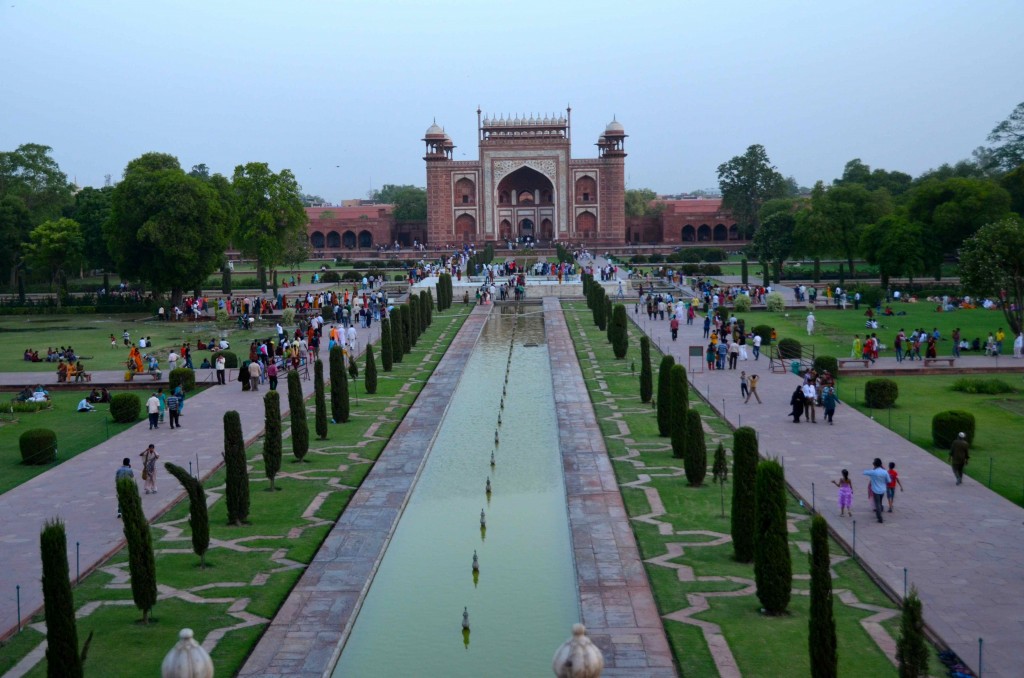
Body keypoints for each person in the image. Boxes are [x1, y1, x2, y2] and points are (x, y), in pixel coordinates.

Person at [863, 458, 889, 523]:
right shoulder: (885, 472)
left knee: (877, 503)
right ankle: (880, 510)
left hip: (876, 490)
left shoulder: (873, 472)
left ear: (874, 465)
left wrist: (873, 470)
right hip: (882, 490)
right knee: (879, 502)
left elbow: (864, 472)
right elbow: (889, 480)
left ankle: (880, 517)